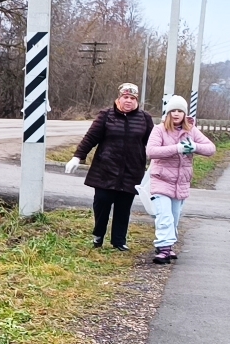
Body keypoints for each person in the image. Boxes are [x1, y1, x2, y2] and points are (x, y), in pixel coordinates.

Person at [65, 82, 154, 251]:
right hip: (105, 169)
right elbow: (91, 137)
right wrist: (77, 157)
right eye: (125, 97)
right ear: (119, 98)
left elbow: (153, 142)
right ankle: (98, 235)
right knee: (102, 202)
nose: (128, 101)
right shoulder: (106, 115)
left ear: (137, 101)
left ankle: (119, 241)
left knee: (123, 207)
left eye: (132, 98)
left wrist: (158, 160)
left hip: (132, 170)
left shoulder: (145, 118)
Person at [145, 95, 215, 264]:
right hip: (161, 179)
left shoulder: (191, 130)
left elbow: (211, 149)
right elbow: (151, 151)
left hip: (181, 183)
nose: (176, 114)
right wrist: (177, 148)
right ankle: (163, 247)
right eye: (173, 110)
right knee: (165, 216)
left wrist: (194, 147)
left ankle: (168, 245)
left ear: (184, 114)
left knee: (174, 217)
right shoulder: (159, 129)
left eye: (180, 111)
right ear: (168, 113)